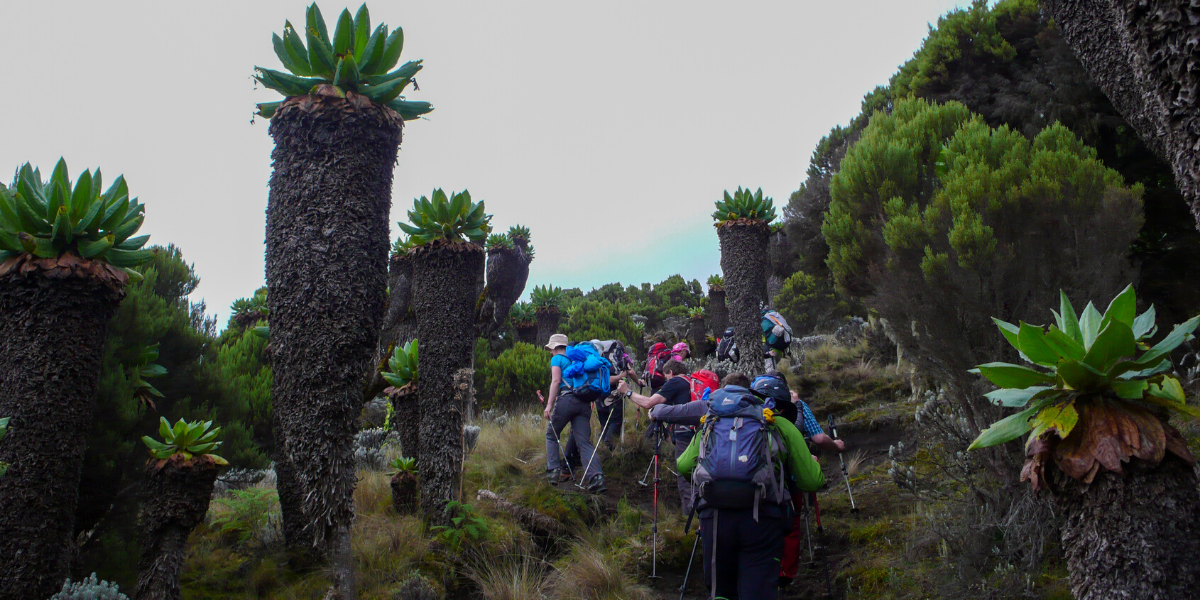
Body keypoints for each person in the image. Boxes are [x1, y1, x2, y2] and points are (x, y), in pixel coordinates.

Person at [676, 382, 825, 600]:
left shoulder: (715, 421)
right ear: (781, 407)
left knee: (721, 593)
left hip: (715, 518)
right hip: (762, 520)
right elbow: (811, 481)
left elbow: (683, 465)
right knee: (757, 591)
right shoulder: (780, 425)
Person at [616, 359, 694, 512]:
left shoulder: (675, 382)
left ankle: (689, 518)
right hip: (700, 433)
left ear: (670, 372)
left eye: (666, 377)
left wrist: (628, 391)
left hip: (685, 435)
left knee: (685, 477)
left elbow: (648, 403)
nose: (666, 381)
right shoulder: (691, 382)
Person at [542, 334, 606, 493]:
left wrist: (548, 405)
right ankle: (596, 477)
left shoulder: (557, 359)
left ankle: (553, 471)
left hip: (566, 401)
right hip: (584, 403)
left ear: (556, 347)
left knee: (551, 434)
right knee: (584, 442)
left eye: (551, 349)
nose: (550, 352)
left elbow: (556, 382)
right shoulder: (579, 358)